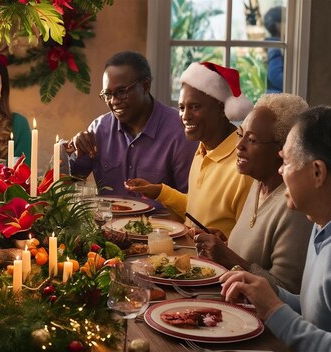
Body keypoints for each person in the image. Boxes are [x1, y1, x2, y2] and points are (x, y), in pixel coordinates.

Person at [221, 106, 331, 351]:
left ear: (317, 172)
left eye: (287, 161)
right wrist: (271, 294)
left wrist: (273, 310)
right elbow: (316, 312)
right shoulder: (320, 227)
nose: (281, 170)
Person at [190, 93, 312, 293]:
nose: (239, 146)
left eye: (252, 140)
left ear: (282, 150)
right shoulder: (258, 184)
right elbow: (252, 254)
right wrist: (225, 245)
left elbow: (286, 292)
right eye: (241, 134)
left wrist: (229, 258)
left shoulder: (293, 206)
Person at [126, 62, 254, 237]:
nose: (185, 116)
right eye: (181, 107)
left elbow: (248, 244)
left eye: (195, 107)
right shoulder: (203, 148)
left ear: (222, 108)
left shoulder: (244, 165)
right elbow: (197, 210)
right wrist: (159, 191)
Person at [62, 51, 198, 196]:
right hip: (108, 218)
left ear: (145, 86)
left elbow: (190, 201)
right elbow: (68, 182)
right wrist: (71, 151)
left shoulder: (179, 131)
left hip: (160, 219)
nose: (113, 101)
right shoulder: (100, 129)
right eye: (108, 94)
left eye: (121, 92)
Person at [264, 6, 284, 93]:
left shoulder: (275, 45)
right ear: (278, 25)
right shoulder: (275, 47)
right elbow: (274, 75)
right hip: (278, 100)